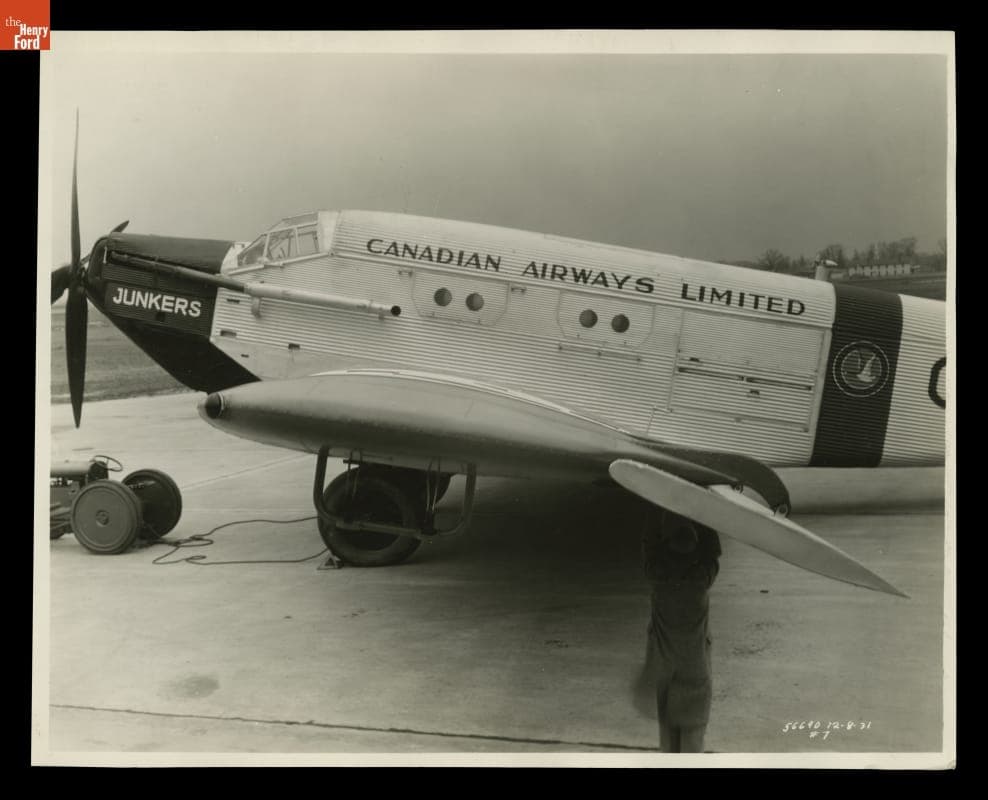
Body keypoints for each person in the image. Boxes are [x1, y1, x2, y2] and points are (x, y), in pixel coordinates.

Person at [633, 507, 721, 753]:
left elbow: (649, 546)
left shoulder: (659, 578)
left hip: (666, 673)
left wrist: (654, 507)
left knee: (668, 740)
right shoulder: (700, 580)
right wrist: (701, 507)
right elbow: (713, 551)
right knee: (693, 741)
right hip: (695, 672)